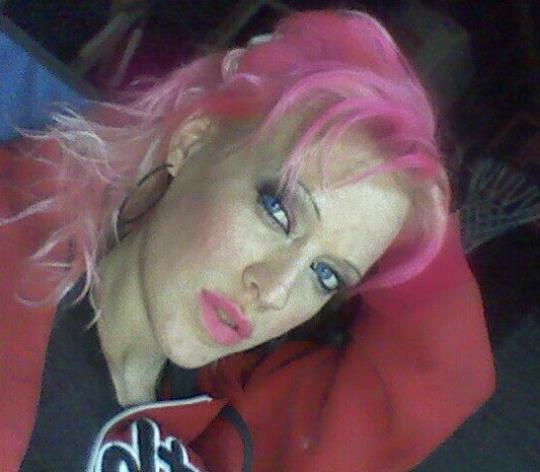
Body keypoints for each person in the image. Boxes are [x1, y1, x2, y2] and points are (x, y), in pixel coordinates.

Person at [0, 10, 494, 472]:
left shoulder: (237, 417)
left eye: (325, 274)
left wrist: (406, 190)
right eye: (278, 211)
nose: (274, 290)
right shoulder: (17, 251)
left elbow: (441, 374)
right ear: (192, 142)